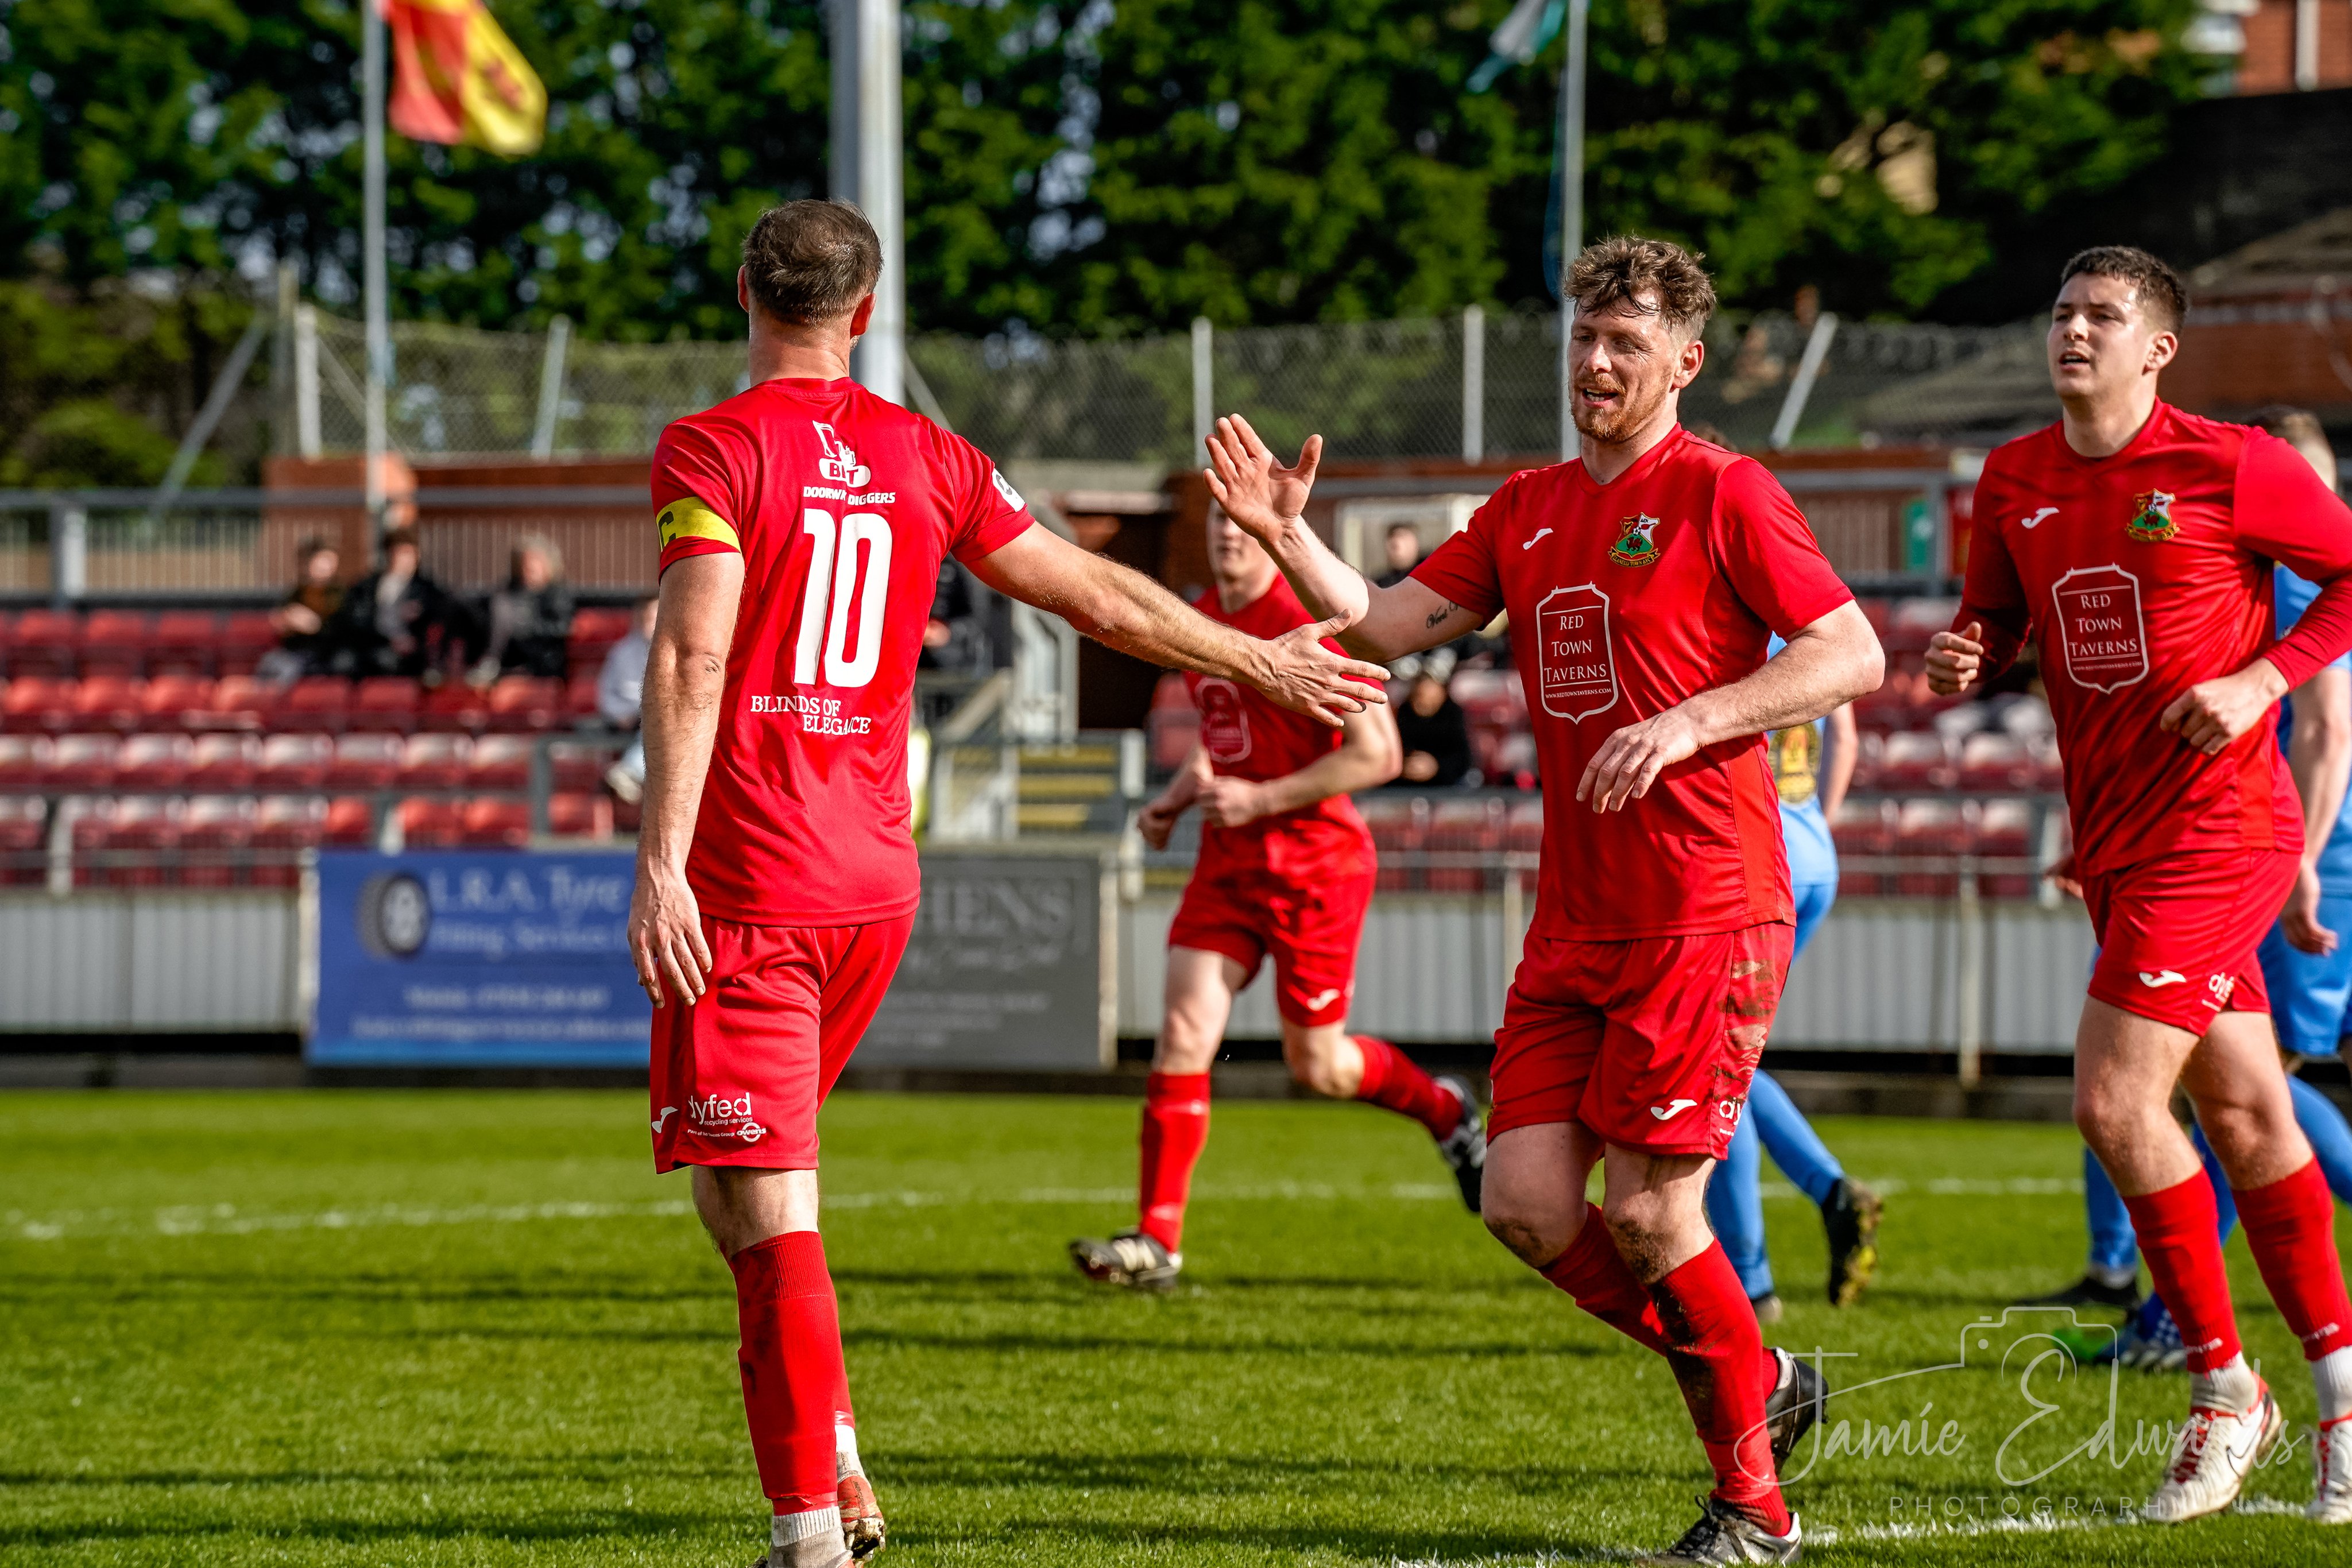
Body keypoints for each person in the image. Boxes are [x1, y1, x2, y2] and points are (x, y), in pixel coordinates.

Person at [624, 199, 1388, 1568]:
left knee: (770, 1199)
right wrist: (1257, 656)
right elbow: (1091, 591)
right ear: (865, 314)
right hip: (872, 879)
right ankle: (839, 1467)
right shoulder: (929, 454)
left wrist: (661, 865)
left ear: (745, 290)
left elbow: (689, 660)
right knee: (742, 1194)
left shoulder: (713, 446)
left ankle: (811, 1534)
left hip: (754, 874)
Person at [1205, 235, 1883, 1566]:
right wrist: (1287, 535)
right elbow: (1390, 623)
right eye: (1581, 338)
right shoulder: (1527, 507)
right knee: (1521, 1202)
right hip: (1578, 920)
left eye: (1624, 342)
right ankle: (1763, 1375)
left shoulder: (1725, 492)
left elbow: (1849, 649)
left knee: (1646, 1213)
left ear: (1684, 361)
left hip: (1706, 901)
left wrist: (1695, 723)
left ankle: (1755, 1510)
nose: (1594, 361)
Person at [1928, 247, 2352, 1526]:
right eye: (2062, 312)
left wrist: (2260, 680)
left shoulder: (2228, 464)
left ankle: (2225, 1389)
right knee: (2244, 1117)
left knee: (2114, 1103)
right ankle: (2342, 1398)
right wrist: (1969, 652)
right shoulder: (2010, 478)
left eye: (2102, 317)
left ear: (2156, 347)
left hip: (2218, 829)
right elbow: (1992, 621)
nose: (2073, 331)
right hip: (2110, 833)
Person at [1068, 507, 1484, 1291]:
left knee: (1317, 1064)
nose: (1227, 535)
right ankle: (1158, 1240)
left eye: (1240, 523)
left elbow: (1379, 754)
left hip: (1314, 866)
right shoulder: (1203, 618)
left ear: (1266, 534)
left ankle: (1445, 1110)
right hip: (1229, 864)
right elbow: (1225, 730)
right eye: (1216, 523)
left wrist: (1261, 802)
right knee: (1184, 1031)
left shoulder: (1307, 620)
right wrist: (1181, 794)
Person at [1702, 682, 1879, 1323]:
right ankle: (1830, 1193)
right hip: (1812, 859)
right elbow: (1848, 738)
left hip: (1756, 863)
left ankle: (1751, 1285)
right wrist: (1815, 829)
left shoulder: (1732, 616)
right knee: (1731, 1059)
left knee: (1716, 1064)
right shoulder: (1815, 617)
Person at [330, 526, 465, 682]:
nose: (402, 559)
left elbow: (443, 617)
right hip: (372, 644)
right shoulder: (366, 587)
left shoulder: (427, 589)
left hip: (412, 650)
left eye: (408, 554)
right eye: (398, 553)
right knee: (343, 663)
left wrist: (420, 619)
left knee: (386, 662)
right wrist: (386, 639)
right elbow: (356, 620)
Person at [469, 533, 575, 684]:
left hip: (543, 659)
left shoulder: (557, 594)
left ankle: (493, 663)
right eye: (525, 563)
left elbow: (563, 627)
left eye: (535, 562)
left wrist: (528, 628)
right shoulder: (509, 592)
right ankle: (490, 662)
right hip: (511, 656)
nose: (529, 567)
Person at [1388, 645, 1475, 787]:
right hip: (1402, 789)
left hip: (1445, 789)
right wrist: (1403, 766)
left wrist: (1435, 767)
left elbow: (1463, 761)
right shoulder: (1403, 713)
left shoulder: (1453, 714)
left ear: (1442, 691)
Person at [600, 594, 658, 805]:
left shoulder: (675, 652)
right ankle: (631, 771)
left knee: (658, 718)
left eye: (654, 617)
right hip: (625, 721)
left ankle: (629, 771)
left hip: (656, 720)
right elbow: (606, 696)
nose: (649, 623)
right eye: (646, 617)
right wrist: (619, 715)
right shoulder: (621, 653)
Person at [260, 537, 345, 681]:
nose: (329, 567)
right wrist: (288, 622)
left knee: (288, 671)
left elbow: (338, 628)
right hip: (293, 650)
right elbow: (282, 622)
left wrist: (315, 625)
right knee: (270, 663)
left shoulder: (339, 593)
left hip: (323, 655)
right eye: (324, 560)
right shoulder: (297, 592)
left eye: (331, 561)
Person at [1372, 521, 1422, 588]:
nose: (1397, 542)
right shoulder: (1380, 584)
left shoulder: (1428, 577)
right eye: (1393, 546)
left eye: (1403, 536)